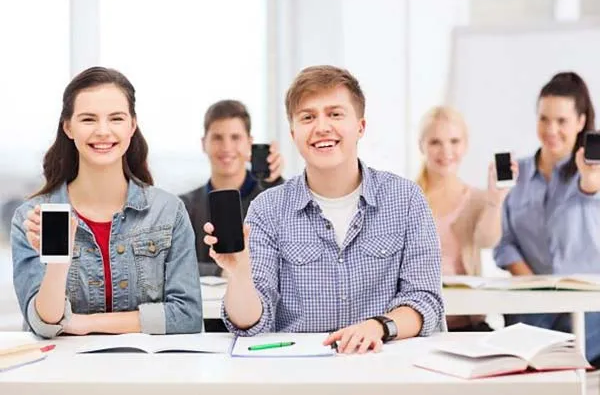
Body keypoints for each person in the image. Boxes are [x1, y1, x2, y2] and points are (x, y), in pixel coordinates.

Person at [204, 65, 444, 354]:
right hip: (298, 372)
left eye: (335, 114)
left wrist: (378, 326)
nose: (321, 127)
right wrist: (239, 273)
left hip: (384, 366)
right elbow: (250, 322)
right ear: (294, 134)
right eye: (308, 117)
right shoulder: (267, 209)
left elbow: (425, 300)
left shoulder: (406, 199)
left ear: (360, 127)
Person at [11, 66, 203, 339]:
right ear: (68, 127)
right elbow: (43, 323)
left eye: (116, 118)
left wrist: (87, 323)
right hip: (64, 374)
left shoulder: (168, 212)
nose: (103, 131)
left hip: (150, 373)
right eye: (88, 119)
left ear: (132, 126)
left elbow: (187, 317)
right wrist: (57, 262)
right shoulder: (32, 217)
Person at [494, 72, 600, 366]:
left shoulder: (592, 175)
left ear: (580, 122)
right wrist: (533, 285)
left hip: (589, 307)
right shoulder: (519, 174)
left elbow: (590, 196)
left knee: (567, 347)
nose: (551, 129)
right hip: (533, 302)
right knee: (527, 351)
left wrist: (591, 183)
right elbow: (505, 244)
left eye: (561, 121)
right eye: (544, 119)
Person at [416, 106, 518, 332]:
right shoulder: (407, 198)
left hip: (465, 323)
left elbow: (487, 240)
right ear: (421, 145)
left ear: (465, 145)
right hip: (419, 324)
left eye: (454, 141)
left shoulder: (478, 198)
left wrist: (495, 200)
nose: (446, 151)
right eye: (435, 142)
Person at [180, 100, 284, 277]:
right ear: (204, 143)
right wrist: (221, 271)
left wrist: (275, 183)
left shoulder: (273, 195)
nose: (227, 148)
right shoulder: (184, 206)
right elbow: (170, 265)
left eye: (235, 138)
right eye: (217, 138)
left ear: (249, 143)